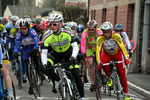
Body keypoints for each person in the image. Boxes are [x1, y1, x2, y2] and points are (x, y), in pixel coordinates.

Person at [41, 13, 85, 100]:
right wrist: (45, 64)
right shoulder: (47, 36)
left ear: (60, 24)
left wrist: (73, 57)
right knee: (46, 68)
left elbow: (75, 47)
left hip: (69, 53)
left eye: (54, 24)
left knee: (76, 74)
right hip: (56, 53)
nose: (52, 26)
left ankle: (82, 97)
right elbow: (44, 53)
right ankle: (60, 81)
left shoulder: (68, 32)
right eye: (51, 24)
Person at [96, 22, 131, 100]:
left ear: (111, 31)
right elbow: (98, 51)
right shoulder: (100, 38)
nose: (106, 34)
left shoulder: (116, 36)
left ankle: (126, 94)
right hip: (107, 53)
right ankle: (109, 78)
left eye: (107, 31)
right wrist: (99, 62)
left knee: (121, 73)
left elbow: (122, 47)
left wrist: (126, 58)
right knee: (103, 63)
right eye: (104, 32)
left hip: (117, 53)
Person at [13, 19, 40, 95]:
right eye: (22, 28)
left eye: (25, 28)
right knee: (27, 65)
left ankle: (38, 72)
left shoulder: (32, 31)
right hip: (25, 49)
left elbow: (36, 40)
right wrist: (15, 52)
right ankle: (31, 85)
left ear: (28, 28)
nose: (24, 30)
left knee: (35, 58)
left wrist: (37, 47)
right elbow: (17, 44)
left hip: (33, 47)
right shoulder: (19, 34)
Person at [81, 20, 102, 91]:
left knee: (102, 62)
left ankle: (103, 76)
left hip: (97, 48)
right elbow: (82, 44)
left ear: (96, 28)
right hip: (89, 49)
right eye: (89, 29)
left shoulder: (99, 32)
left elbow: (104, 41)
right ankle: (92, 82)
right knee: (90, 64)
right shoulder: (85, 33)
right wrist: (83, 52)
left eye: (93, 29)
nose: (91, 31)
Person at [0, 24, 15, 99]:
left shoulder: (2, 27)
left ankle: (10, 94)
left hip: (2, 54)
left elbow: (5, 41)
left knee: (5, 71)